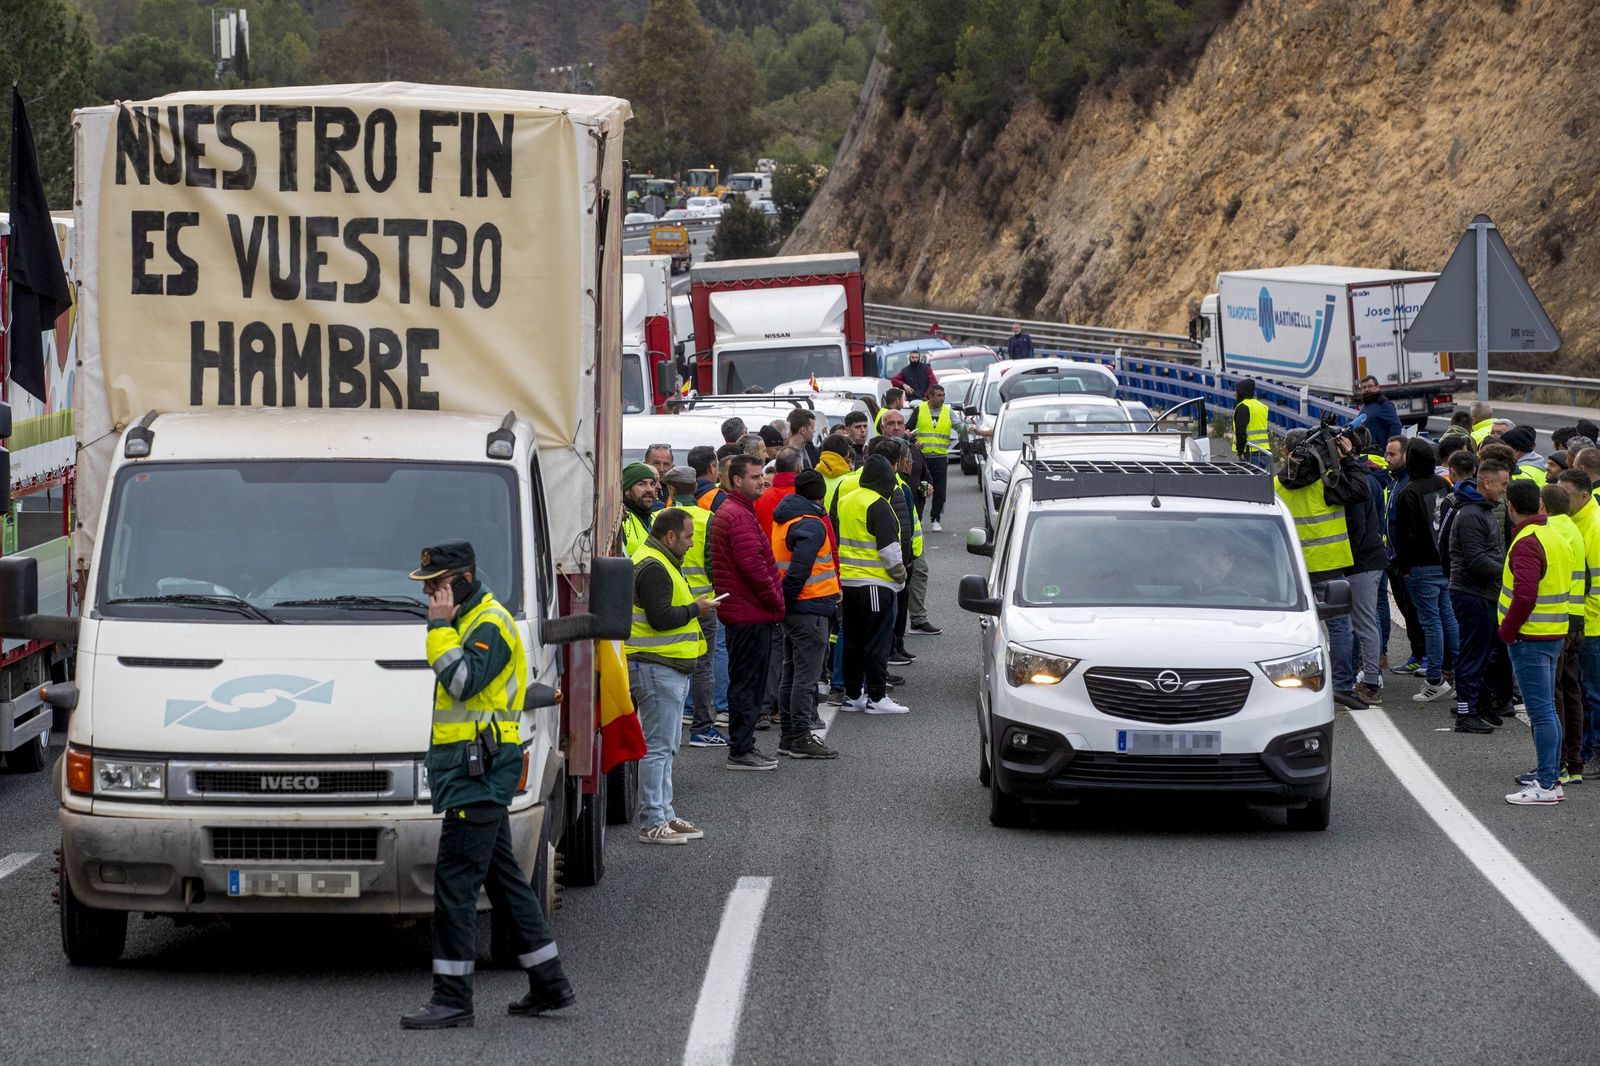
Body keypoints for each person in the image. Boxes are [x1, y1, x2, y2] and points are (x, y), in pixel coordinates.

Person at [401, 542, 572, 1030]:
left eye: (436, 585)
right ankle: (550, 983)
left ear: (464, 579)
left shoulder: (488, 624)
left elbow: (461, 682)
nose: (430, 594)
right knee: (505, 882)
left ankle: (452, 998)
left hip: (479, 772)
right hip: (472, 769)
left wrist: (436, 630)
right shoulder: (470, 620)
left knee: (454, 886)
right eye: (427, 587)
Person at [626, 508, 714, 844]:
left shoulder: (657, 560)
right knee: (658, 747)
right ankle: (652, 821)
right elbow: (661, 618)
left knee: (666, 746)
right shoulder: (654, 566)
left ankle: (664, 813)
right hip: (655, 665)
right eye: (689, 537)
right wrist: (697, 608)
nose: (692, 544)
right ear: (671, 537)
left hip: (663, 665)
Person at [1274, 428, 1368, 708]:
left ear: (1286, 453)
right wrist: (1347, 457)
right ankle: (1341, 684)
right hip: (1328, 563)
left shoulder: (1276, 483)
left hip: (1291, 567)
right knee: (1340, 628)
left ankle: (1291, 680)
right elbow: (1360, 491)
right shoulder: (1327, 481)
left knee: (1289, 628)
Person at [1499, 480, 1575, 804]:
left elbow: (1525, 595)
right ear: (1541, 505)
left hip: (1530, 637)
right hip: (1554, 632)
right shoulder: (1554, 535)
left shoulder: (1527, 542)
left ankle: (1545, 784)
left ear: (1510, 506)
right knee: (1549, 712)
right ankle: (1552, 778)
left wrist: (1507, 630)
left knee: (1541, 712)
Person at [709, 454, 786, 769]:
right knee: (748, 684)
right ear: (737, 480)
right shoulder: (737, 515)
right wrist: (777, 601)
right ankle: (741, 749)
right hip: (750, 614)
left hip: (745, 612)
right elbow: (754, 568)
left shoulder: (737, 510)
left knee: (746, 682)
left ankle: (743, 746)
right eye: (755, 477)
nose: (762, 482)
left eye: (762, 476)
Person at [772, 469, 841, 759]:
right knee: (806, 677)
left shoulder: (786, 518)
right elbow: (800, 570)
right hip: (809, 608)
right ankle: (801, 736)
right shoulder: (812, 524)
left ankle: (789, 736)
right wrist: (786, 600)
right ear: (820, 494)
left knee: (791, 673)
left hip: (796, 610)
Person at [836, 454, 910, 714]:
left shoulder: (844, 501)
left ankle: (853, 694)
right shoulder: (880, 504)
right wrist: (900, 577)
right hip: (876, 584)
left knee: (853, 641)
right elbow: (890, 550)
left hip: (847, 583)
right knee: (877, 641)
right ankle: (877, 697)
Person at [1445, 456, 1511, 733]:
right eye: (1503, 484)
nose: (1505, 489)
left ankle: (1479, 703)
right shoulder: (1473, 514)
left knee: (1486, 652)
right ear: (1486, 481)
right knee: (1473, 654)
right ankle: (1466, 712)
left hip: (1483, 593)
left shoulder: (1483, 509)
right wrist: (1510, 572)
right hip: (1472, 593)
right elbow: (1477, 560)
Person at [662, 466, 727, 748]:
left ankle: (673, 721)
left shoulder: (658, 518)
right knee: (703, 665)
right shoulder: (707, 518)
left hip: (665, 602)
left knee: (665, 666)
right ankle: (702, 725)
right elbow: (715, 564)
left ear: (672, 489)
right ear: (697, 487)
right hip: (703, 602)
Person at [1394, 438, 1458, 704]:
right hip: (1443, 561)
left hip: (1420, 565)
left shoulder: (1408, 492)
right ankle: (1458, 669)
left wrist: (1404, 568)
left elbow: (1405, 536)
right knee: (1448, 618)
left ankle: (1434, 679)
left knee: (1430, 622)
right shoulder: (1443, 484)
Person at [1541, 483, 1588, 784]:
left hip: (1557, 619)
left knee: (1552, 692)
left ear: (1543, 506)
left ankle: (1556, 763)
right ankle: (1575, 762)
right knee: (1571, 690)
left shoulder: (1550, 531)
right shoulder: (1573, 528)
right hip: (1578, 617)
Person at [881, 409, 940, 634]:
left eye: (899, 423)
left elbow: (926, 476)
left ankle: (918, 618)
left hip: (913, 522)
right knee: (896, 576)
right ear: (883, 428)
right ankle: (893, 629)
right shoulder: (879, 451)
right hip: (887, 525)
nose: (896, 427)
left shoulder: (914, 450)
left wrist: (928, 486)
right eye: (891, 423)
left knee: (920, 571)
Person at [1557, 469, 1600, 776]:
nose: (1562, 500)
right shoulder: (1576, 520)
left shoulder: (1595, 528)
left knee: (1594, 693)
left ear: (1584, 496)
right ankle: (1584, 749)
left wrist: (1585, 622)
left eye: (1567, 495)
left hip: (1592, 624)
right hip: (1580, 622)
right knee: (1582, 692)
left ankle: (1595, 750)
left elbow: (1595, 586)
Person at [1343, 429, 1389, 705]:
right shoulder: (1366, 477)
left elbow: (1357, 526)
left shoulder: (1358, 482)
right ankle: (1365, 675)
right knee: (1364, 620)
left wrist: (1349, 557)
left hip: (1362, 561)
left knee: (1363, 622)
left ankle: (1370, 682)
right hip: (1370, 558)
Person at [1383, 434, 1428, 675]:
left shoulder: (1409, 485)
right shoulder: (1394, 481)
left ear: (1406, 456)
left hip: (1407, 562)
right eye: (1386, 454)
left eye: (1392, 454)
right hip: (1393, 559)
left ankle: (1426, 656)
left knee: (1418, 611)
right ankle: (1417, 653)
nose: (1387, 459)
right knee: (1408, 611)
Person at [911, 383, 953, 530]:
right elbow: (908, 430)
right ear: (930, 396)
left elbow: (961, 427)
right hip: (922, 458)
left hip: (940, 458)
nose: (942, 399)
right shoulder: (919, 410)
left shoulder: (948, 411)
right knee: (919, 489)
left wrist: (975, 431)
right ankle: (918, 517)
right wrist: (914, 442)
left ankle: (936, 519)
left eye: (943, 395)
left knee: (940, 491)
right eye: (939, 395)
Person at [756, 447, 801, 534]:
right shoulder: (807, 496)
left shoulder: (759, 498)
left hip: (766, 547)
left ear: (776, 468)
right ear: (799, 469)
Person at [620, 462, 659, 556]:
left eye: (652, 484)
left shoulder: (654, 519)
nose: (649, 489)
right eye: (642, 484)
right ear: (627, 491)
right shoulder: (621, 520)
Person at [1233, 378, 1271, 469]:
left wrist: (1240, 450)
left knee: (1249, 482)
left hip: (1250, 452)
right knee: (1260, 481)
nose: (1235, 394)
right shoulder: (1262, 406)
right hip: (1264, 451)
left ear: (1241, 392)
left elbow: (1241, 432)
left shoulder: (1243, 407)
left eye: (1236, 391)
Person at [1355, 375, 1402, 449]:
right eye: (1364, 387)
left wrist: (1389, 449)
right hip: (1367, 450)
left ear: (1377, 387)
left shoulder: (1384, 404)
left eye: (1370, 386)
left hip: (1378, 451)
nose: (1367, 389)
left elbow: (1395, 426)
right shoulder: (1366, 404)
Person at [688, 445, 728, 512]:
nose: (719, 472)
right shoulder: (719, 498)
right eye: (718, 465)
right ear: (712, 467)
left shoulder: (673, 496)